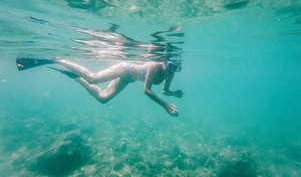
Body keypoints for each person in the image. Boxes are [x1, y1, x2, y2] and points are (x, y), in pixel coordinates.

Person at [16, 58, 183, 116]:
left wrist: (173, 93)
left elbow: (164, 91)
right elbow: (146, 91)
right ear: (165, 62)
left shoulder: (170, 74)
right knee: (93, 78)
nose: (171, 70)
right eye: (170, 66)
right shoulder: (155, 66)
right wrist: (165, 105)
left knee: (103, 99)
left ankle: (75, 77)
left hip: (128, 79)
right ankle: (56, 59)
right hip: (126, 68)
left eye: (175, 68)